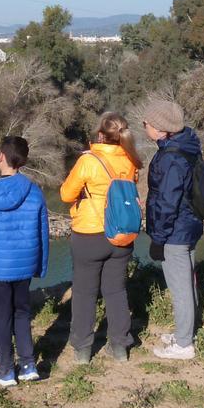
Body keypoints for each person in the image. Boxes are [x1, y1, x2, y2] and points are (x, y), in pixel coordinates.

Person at [59, 111, 143, 363]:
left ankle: (83, 350)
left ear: (99, 135)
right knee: (116, 291)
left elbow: (65, 194)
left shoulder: (89, 161)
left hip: (90, 233)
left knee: (84, 293)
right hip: (121, 232)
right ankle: (119, 347)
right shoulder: (130, 160)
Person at [0, 136, 49, 387]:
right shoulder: (35, 192)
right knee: (22, 313)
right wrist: (41, 265)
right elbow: (42, 233)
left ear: (0, 156)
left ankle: (5, 370)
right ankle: (28, 365)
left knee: (1, 317)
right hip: (25, 264)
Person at [141, 98, 204, 360]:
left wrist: (158, 237)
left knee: (180, 289)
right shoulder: (186, 146)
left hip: (175, 230)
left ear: (158, 127)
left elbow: (168, 201)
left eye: (146, 122)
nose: (144, 126)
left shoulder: (170, 158)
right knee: (188, 282)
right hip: (189, 223)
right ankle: (184, 332)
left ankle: (184, 345)